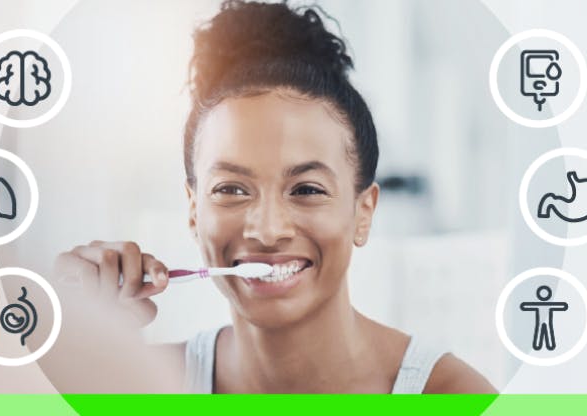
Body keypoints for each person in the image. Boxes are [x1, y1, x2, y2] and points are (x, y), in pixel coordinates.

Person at [53, 0, 495, 393]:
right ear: (193, 211)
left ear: (364, 212)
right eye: (231, 189)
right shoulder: (141, 388)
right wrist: (61, 359)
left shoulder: (454, 397)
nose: (266, 230)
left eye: (306, 190)